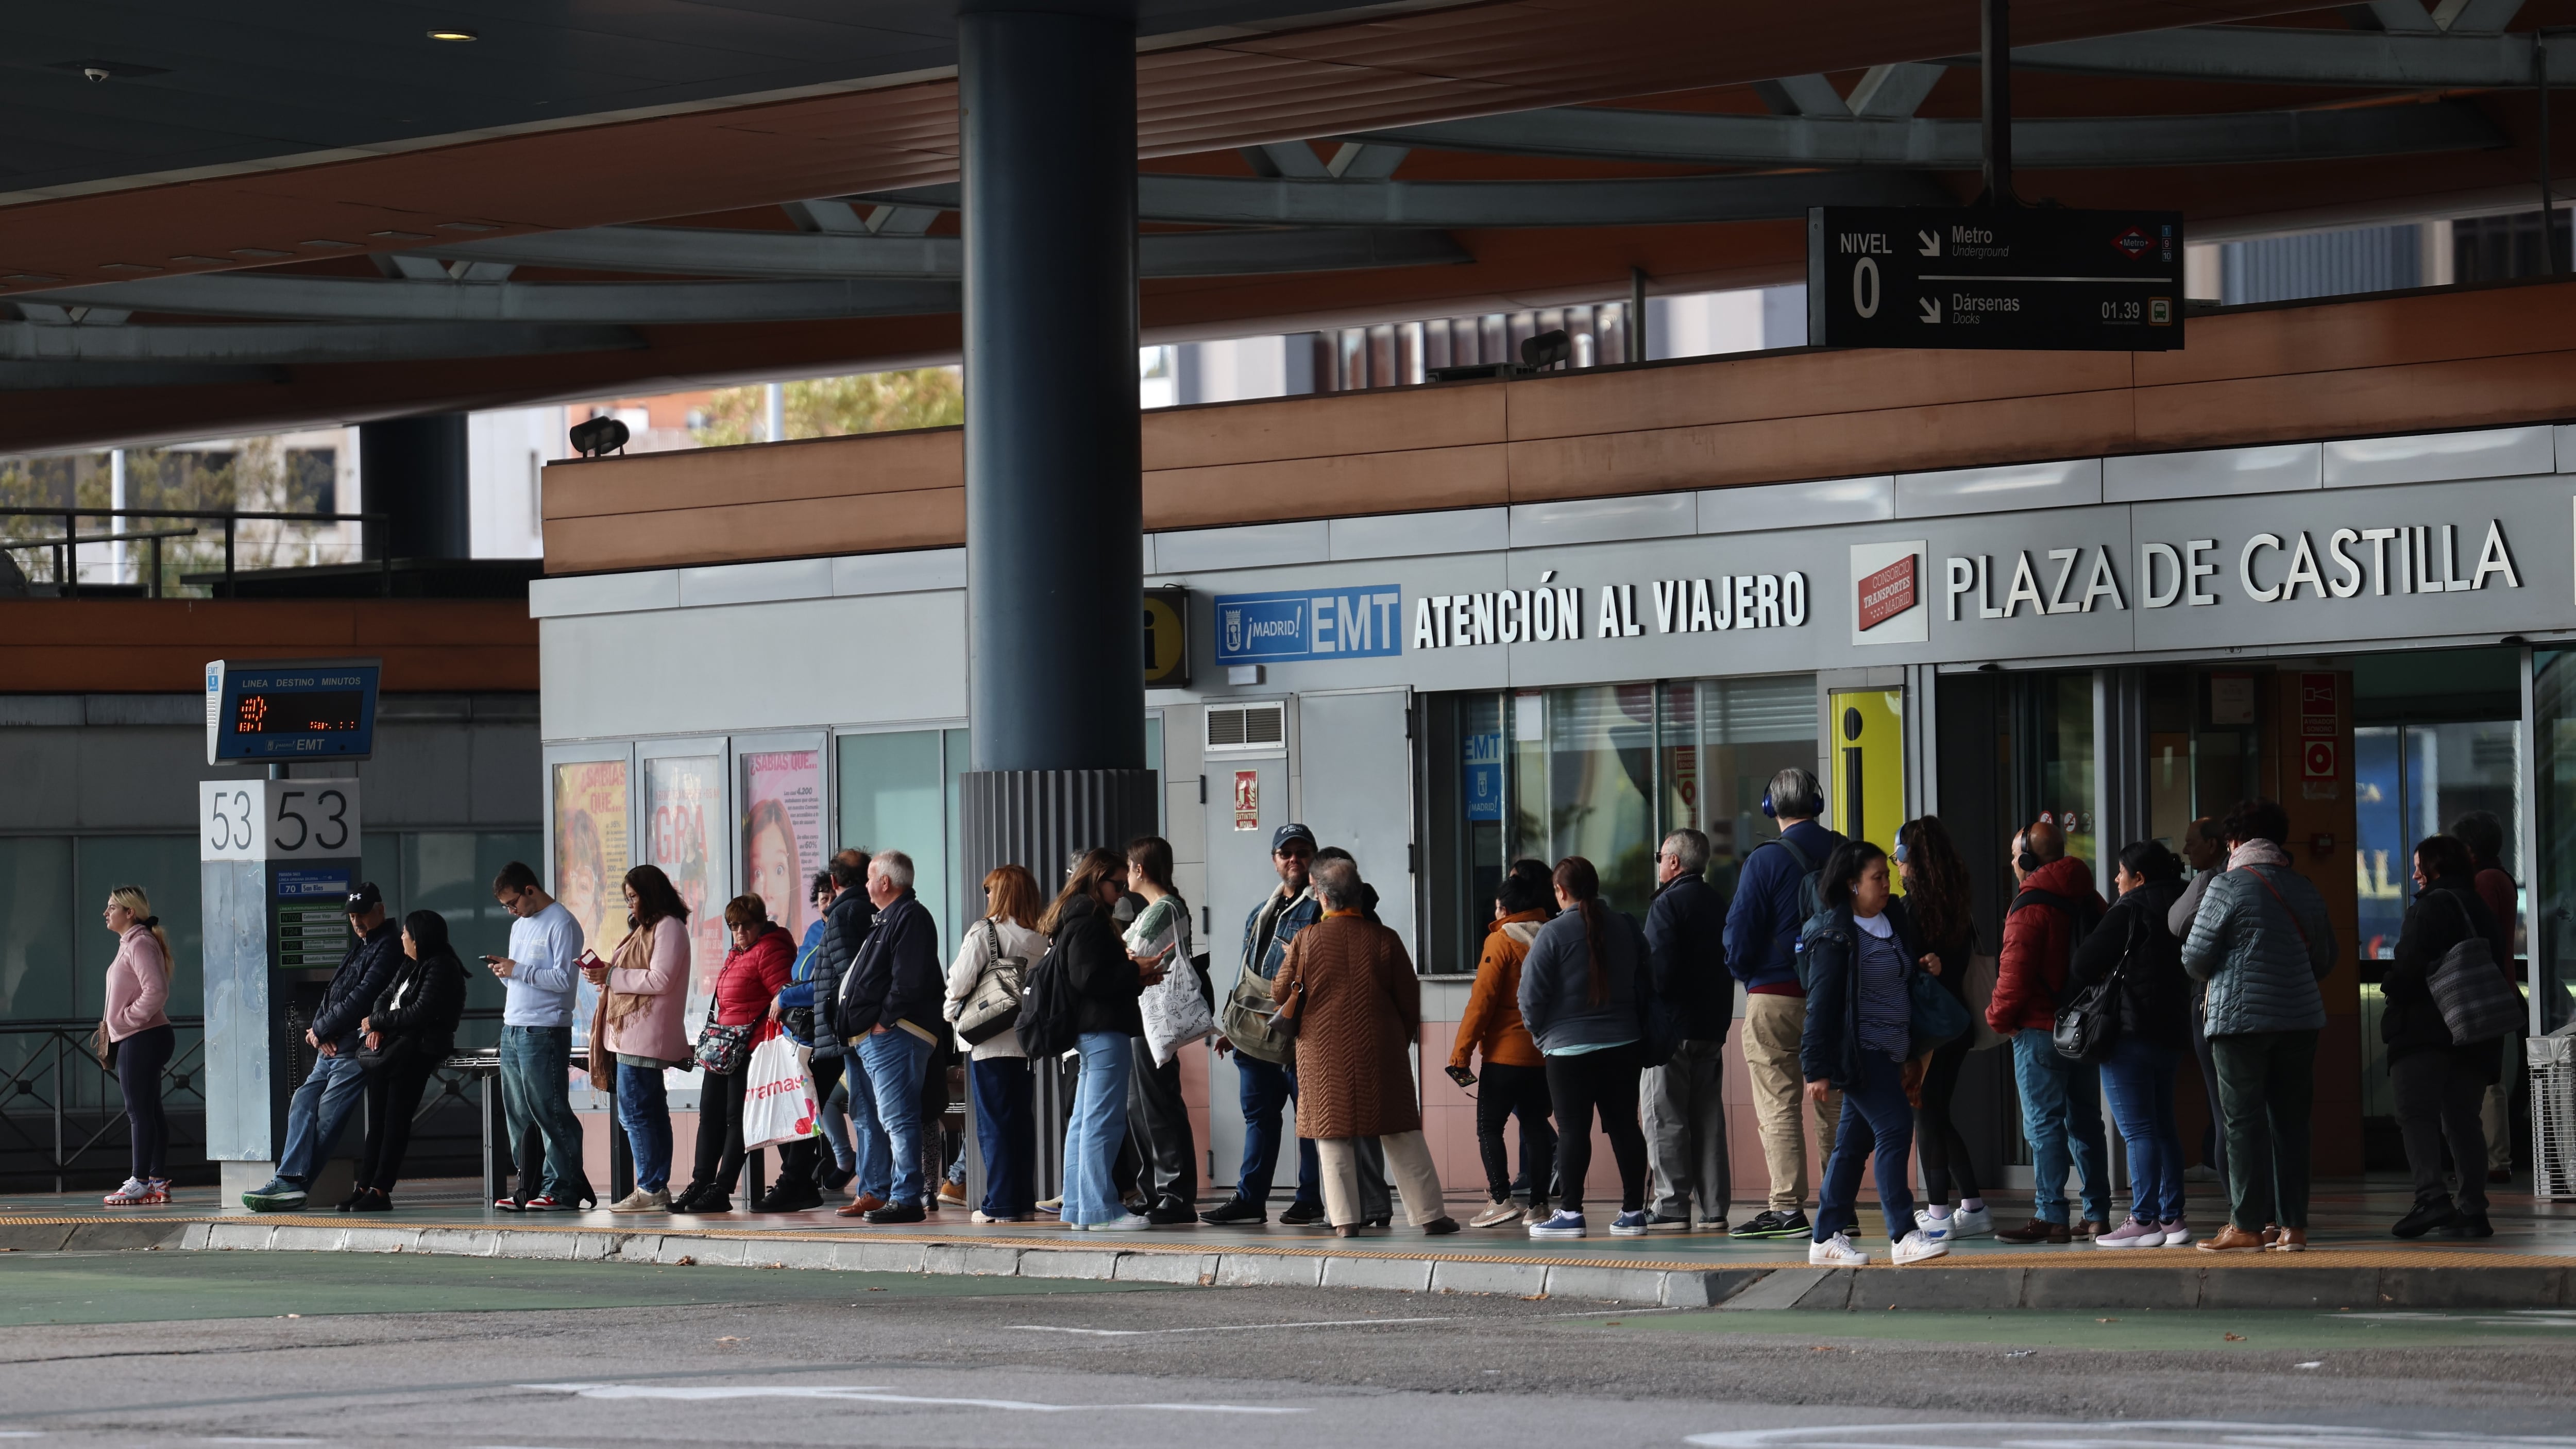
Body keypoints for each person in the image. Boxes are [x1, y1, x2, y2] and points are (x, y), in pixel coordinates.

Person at [1271, 855, 1460, 1239]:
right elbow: (1410, 1002)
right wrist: (1394, 1040)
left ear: (1322, 897)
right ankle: (1429, 1215)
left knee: (1332, 1135)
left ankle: (1344, 1221)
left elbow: (1279, 991)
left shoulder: (1305, 940)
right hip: (1382, 1053)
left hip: (1322, 1055)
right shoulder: (1385, 939)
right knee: (1402, 1133)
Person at [2183, 798, 2337, 1254]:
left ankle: (2247, 1224)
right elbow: (2326, 959)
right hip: (2300, 1019)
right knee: (2292, 1124)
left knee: (2242, 1122)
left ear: (2233, 841)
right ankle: (2294, 1228)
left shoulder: (2227, 887)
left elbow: (2194, 958)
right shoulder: (2306, 888)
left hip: (2240, 1022)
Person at [1798, 840, 1948, 1267]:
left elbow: (1897, 975)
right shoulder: (1835, 934)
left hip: (1894, 1047)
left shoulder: (1891, 920)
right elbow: (1822, 1004)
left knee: (1852, 1144)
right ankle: (1902, 1233)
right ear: (1851, 884)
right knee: (1897, 1127)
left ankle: (1825, 1237)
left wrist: (1924, 964)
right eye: (1877, 878)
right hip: (1860, 1052)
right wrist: (1816, 1068)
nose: (1887, 883)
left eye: (1887, 875)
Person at [1723, 767, 1845, 1241]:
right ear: (1816, 802)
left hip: (1774, 996)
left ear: (1771, 808)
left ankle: (1787, 1208)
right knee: (1832, 1100)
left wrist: (1751, 973)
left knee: (1779, 1102)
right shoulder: (1843, 851)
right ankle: (1840, 1204)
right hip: (1833, 997)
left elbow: (1737, 937)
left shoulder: (1765, 860)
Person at [1201, 824, 1334, 1226]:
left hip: (1301, 1036)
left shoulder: (1320, 910)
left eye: (1302, 851)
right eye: (1285, 853)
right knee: (1259, 1118)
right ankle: (1250, 1200)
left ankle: (1309, 1199)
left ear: (1314, 858)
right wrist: (1234, 1029)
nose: (1294, 859)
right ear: (1274, 860)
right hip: (1254, 1038)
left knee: (1309, 1120)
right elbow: (1250, 977)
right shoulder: (1260, 911)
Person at [2382, 833, 2513, 1239]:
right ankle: (2473, 1208)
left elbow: (2410, 965)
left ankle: (2431, 1196)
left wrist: (2391, 984)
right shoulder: (2478, 906)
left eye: (2420, 864)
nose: (2416, 873)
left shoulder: (2430, 907)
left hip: (2427, 1030)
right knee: (2463, 1120)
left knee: (2415, 1112)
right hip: (2476, 1031)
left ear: (2436, 866)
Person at [242, 883, 403, 1212]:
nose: (356, 921)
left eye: (362, 914)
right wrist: (319, 1029)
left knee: (328, 1117)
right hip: (330, 1047)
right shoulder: (362, 944)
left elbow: (363, 997)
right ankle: (288, 1181)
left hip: (353, 1049)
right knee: (303, 1100)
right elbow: (333, 992)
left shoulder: (387, 947)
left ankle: (293, 1185)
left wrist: (320, 1028)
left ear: (381, 910)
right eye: (352, 916)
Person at [1988, 820, 2112, 1244]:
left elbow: (2014, 976)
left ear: (2026, 859)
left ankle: (2051, 1215)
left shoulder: (2029, 906)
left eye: (2013, 856)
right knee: (2086, 1122)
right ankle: (2096, 1214)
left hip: (2040, 1029)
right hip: (2084, 1028)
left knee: (2043, 1124)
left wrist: (1998, 1019)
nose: (2012, 863)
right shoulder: (2089, 899)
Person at [1519, 856, 1654, 1240]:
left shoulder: (1553, 934)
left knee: (1573, 1130)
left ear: (1560, 892)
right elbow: (1647, 979)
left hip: (1567, 1051)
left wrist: (1543, 1036)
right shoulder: (1626, 925)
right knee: (1625, 1125)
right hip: (1624, 1044)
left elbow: (1529, 997)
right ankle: (1633, 1212)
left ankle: (1571, 1213)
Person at [2071, 841, 2192, 1248]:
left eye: (2121, 873)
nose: (2117, 880)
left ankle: (2143, 1218)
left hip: (2129, 1030)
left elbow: (2084, 963)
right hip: (2173, 1030)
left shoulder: (2129, 908)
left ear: (2138, 877)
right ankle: (2172, 1217)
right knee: (2163, 1125)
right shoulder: (2184, 904)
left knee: (2139, 1128)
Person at [1043, 848, 1158, 1231]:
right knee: (1102, 1123)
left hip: (1089, 1031)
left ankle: (1079, 1208)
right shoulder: (1091, 919)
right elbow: (1088, 978)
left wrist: (1133, 975)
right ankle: (1101, 1209)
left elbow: (1087, 977)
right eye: (1117, 884)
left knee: (1084, 1121)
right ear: (1096, 880)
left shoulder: (1071, 916)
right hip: (1104, 1030)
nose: (1122, 893)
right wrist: (1132, 969)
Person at [835, 850, 945, 1224]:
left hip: (896, 1034)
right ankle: (899, 1193)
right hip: (880, 1036)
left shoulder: (909, 916)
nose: (865, 885)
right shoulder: (889, 918)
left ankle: (906, 1196)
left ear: (886, 882)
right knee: (891, 1117)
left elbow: (909, 980)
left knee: (899, 1118)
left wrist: (884, 1020)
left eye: (869, 877)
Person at [1892, 817, 1989, 1242]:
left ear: (1912, 860)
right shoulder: (1956, 906)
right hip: (1957, 1025)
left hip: (1928, 1029)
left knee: (1926, 1115)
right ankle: (1973, 1204)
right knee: (1938, 1113)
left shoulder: (1911, 908)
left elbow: (1902, 970)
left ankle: (1938, 1212)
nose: (1896, 866)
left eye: (1897, 857)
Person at [1449, 862, 1558, 1228]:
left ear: (1507, 909)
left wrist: (1460, 1054)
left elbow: (1482, 1002)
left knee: (1489, 1126)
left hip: (1504, 1056)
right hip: (1544, 1055)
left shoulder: (1501, 940)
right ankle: (1540, 1205)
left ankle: (1500, 1198)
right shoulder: (1553, 935)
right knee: (1536, 1126)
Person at [673, 894, 795, 1213]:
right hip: (724, 1048)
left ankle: (722, 1187)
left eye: (745, 925)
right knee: (709, 1114)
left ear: (760, 923)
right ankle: (701, 1181)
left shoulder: (770, 949)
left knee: (735, 1118)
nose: (739, 931)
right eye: (733, 926)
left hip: (751, 1049)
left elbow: (784, 996)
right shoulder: (737, 953)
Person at [485, 861, 593, 1212]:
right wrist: (507, 972)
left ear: (530, 889)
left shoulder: (562, 923)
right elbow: (524, 977)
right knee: (519, 1112)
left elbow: (565, 980)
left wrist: (519, 970)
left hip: (545, 1027)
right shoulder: (520, 927)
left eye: (513, 902)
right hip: (513, 1026)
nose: (511, 910)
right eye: (506, 906)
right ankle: (529, 1183)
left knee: (550, 1109)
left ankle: (562, 1186)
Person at [587, 866, 692, 1213]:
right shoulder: (647, 929)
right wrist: (607, 976)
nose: (630, 904)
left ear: (651, 894)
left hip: (644, 1035)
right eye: (627, 897)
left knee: (637, 1112)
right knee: (647, 1111)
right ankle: (655, 1184)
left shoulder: (669, 927)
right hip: (632, 1034)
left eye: (633, 896)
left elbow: (660, 978)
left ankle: (650, 1186)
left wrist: (614, 975)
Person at [349, 909, 469, 1211]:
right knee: (377, 1121)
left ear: (419, 938)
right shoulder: (410, 964)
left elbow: (420, 1012)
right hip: (392, 1048)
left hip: (418, 1051)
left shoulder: (442, 967)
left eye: (406, 933)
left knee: (395, 1122)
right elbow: (384, 996)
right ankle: (364, 1185)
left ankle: (380, 1191)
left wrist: (378, 1021)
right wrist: (376, 1025)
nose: (401, 937)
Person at [1642, 828, 1731, 1233]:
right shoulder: (1719, 902)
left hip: (1671, 1030)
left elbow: (1657, 972)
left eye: (1661, 855)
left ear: (1675, 862)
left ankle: (1672, 1205)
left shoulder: (1666, 905)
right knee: (1709, 1117)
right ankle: (1715, 1208)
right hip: (1712, 1026)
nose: (1659, 862)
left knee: (1665, 1115)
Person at [945, 864, 1045, 1223]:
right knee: (1019, 1123)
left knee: (994, 1125)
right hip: (1024, 1041)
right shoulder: (1040, 939)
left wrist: (950, 1011)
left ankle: (1000, 1203)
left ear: (1001, 893)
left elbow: (959, 980)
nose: (986, 896)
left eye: (990, 890)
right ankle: (1021, 1200)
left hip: (986, 1039)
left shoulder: (986, 931)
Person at [1123, 836, 1203, 1225]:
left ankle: (1175, 1192)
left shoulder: (1163, 908)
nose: (1125, 875)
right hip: (1144, 1016)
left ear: (1140, 869)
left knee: (1157, 1102)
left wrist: (1122, 956)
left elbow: (1130, 951)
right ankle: (1156, 1189)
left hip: (1155, 1016)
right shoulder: (1158, 907)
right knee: (1141, 1104)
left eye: (1128, 866)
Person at [765, 871, 855, 1207]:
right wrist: (791, 995)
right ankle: (803, 1173)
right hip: (800, 1033)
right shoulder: (815, 931)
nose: (827, 905)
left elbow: (826, 987)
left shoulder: (844, 929)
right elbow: (800, 976)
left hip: (827, 1035)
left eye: (831, 897)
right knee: (795, 1105)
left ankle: (823, 1168)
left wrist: (788, 997)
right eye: (821, 900)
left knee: (815, 1103)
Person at [2453, 810, 2522, 1186]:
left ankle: (2495, 1158)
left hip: (2486, 990)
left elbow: (2476, 933)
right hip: (2502, 986)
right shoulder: (2501, 876)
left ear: (2471, 849)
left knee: (2486, 1079)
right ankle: (2495, 1157)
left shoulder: (2484, 881)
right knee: (2488, 1075)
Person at [2167, 816, 2236, 1187]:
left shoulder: (2213, 881)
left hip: (2219, 1005)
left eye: (2192, 842)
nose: (2185, 850)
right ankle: (2285, 1217)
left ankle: (2243, 1214)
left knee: (2226, 1110)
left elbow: (2179, 928)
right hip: (2291, 1015)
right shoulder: (2295, 883)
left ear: (2216, 844)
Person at [98, 887, 175, 1207]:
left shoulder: (140, 943)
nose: (106, 912)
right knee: (151, 1110)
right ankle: (156, 1181)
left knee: (138, 1112)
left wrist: (126, 1020)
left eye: (112, 906)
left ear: (130, 912)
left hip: (141, 1037)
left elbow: (155, 991)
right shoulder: (133, 943)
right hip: (146, 1036)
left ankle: (139, 1181)